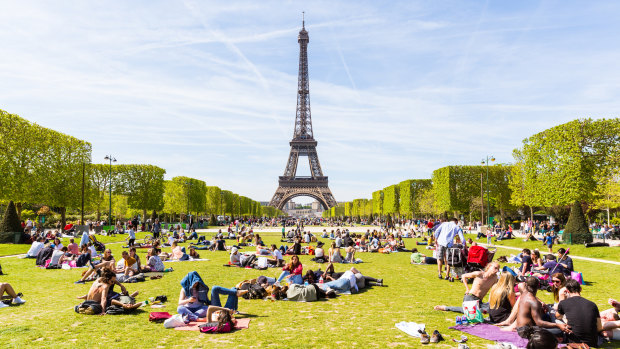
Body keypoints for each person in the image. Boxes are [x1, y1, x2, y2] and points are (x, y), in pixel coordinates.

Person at [433, 261, 500, 314]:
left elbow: (493, 290)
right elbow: (464, 276)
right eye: (495, 268)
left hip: (479, 301)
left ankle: (477, 309)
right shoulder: (479, 274)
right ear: (490, 266)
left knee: (492, 309)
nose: (496, 270)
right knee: (469, 311)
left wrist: (490, 300)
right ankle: (445, 308)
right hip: (470, 297)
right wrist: (467, 289)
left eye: (498, 269)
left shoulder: (494, 278)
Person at [177, 271, 247, 321]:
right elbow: (180, 302)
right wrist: (189, 300)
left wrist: (212, 302)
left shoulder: (200, 288)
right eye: (194, 283)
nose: (196, 284)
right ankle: (195, 318)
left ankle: (235, 294)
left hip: (201, 309)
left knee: (217, 289)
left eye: (197, 283)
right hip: (189, 309)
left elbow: (207, 302)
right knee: (180, 308)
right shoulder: (184, 289)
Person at [556, 279, 601, 347]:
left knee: (556, 320)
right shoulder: (592, 304)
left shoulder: (564, 303)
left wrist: (562, 299)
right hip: (592, 342)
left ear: (567, 291)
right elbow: (599, 327)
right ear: (581, 289)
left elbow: (558, 316)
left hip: (574, 342)